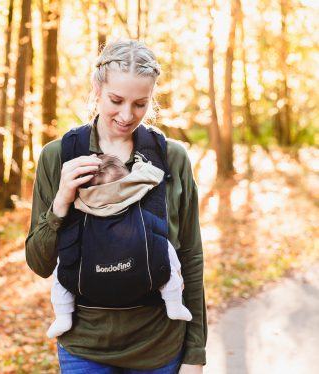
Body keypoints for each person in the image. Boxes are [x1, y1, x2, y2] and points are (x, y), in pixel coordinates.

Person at [25, 39, 207, 373]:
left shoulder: (172, 158)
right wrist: (62, 201)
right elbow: (39, 262)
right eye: (116, 100)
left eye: (140, 103)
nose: (127, 115)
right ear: (97, 89)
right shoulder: (59, 156)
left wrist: (195, 353)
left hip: (159, 347)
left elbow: (191, 257)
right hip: (85, 348)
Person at [46, 154, 192, 340]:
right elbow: (148, 176)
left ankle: (63, 316)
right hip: (142, 278)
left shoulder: (83, 199)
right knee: (166, 253)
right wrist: (141, 164)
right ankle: (174, 303)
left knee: (62, 269)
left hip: (89, 282)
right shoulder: (133, 190)